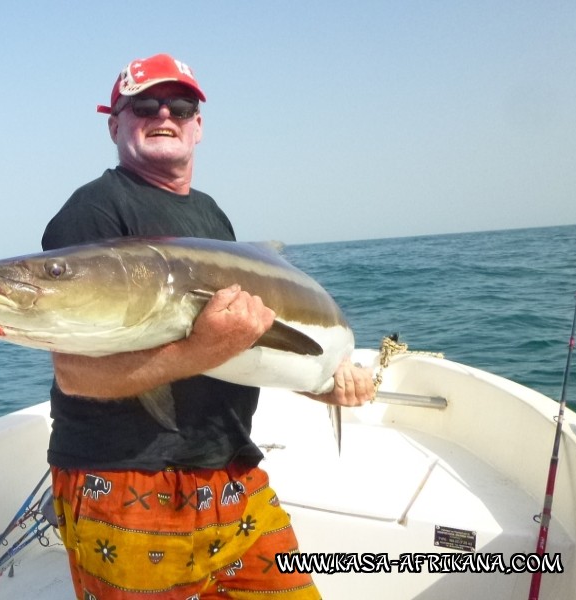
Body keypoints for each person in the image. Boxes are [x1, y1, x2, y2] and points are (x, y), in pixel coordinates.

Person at [42, 53, 374, 600]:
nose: (163, 113)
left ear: (198, 125)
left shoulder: (211, 217)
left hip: (230, 471)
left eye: (181, 105)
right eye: (143, 104)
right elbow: (78, 376)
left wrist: (326, 384)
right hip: (128, 480)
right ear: (115, 123)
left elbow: (239, 353)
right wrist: (203, 347)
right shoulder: (96, 210)